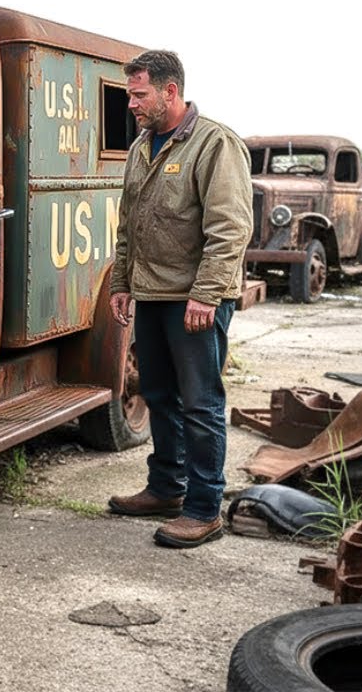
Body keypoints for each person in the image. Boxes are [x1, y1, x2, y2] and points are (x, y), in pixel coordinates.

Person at [105, 50, 253, 548]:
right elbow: (128, 224)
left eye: (139, 94)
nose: (131, 104)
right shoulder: (141, 147)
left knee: (200, 403)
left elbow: (230, 229)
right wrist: (121, 283)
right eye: (130, 94)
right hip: (151, 293)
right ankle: (167, 487)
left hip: (195, 300)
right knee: (159, 395)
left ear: (170, 92)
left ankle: (204, 509)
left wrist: (206, 295)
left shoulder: (214, 144)